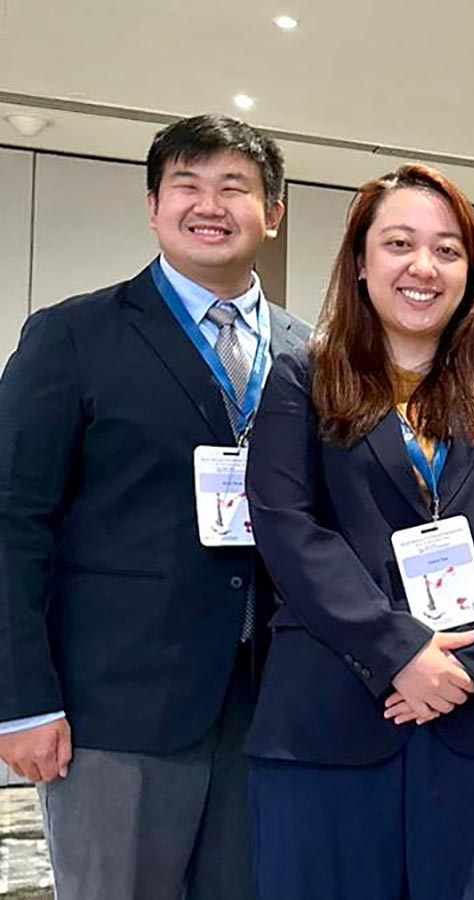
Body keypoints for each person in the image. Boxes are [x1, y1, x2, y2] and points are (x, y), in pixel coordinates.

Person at [0, 114, 307, 900]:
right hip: (115, 711)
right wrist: (21, 701)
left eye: (234, 187)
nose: (211, 204)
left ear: (272, 213)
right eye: (188, 186)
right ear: (152, 205)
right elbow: (12, 524)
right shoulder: (73, 335)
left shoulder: (310, 353)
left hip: (268, 707)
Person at [244, 163, 474, 899]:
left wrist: (467, 667)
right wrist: (399, 652)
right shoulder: (304, 376)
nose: (423, 267)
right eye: (399, 244)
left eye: (448, 249)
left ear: (472, 272)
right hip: (331, 714)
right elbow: (290, 529)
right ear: (360, 262)